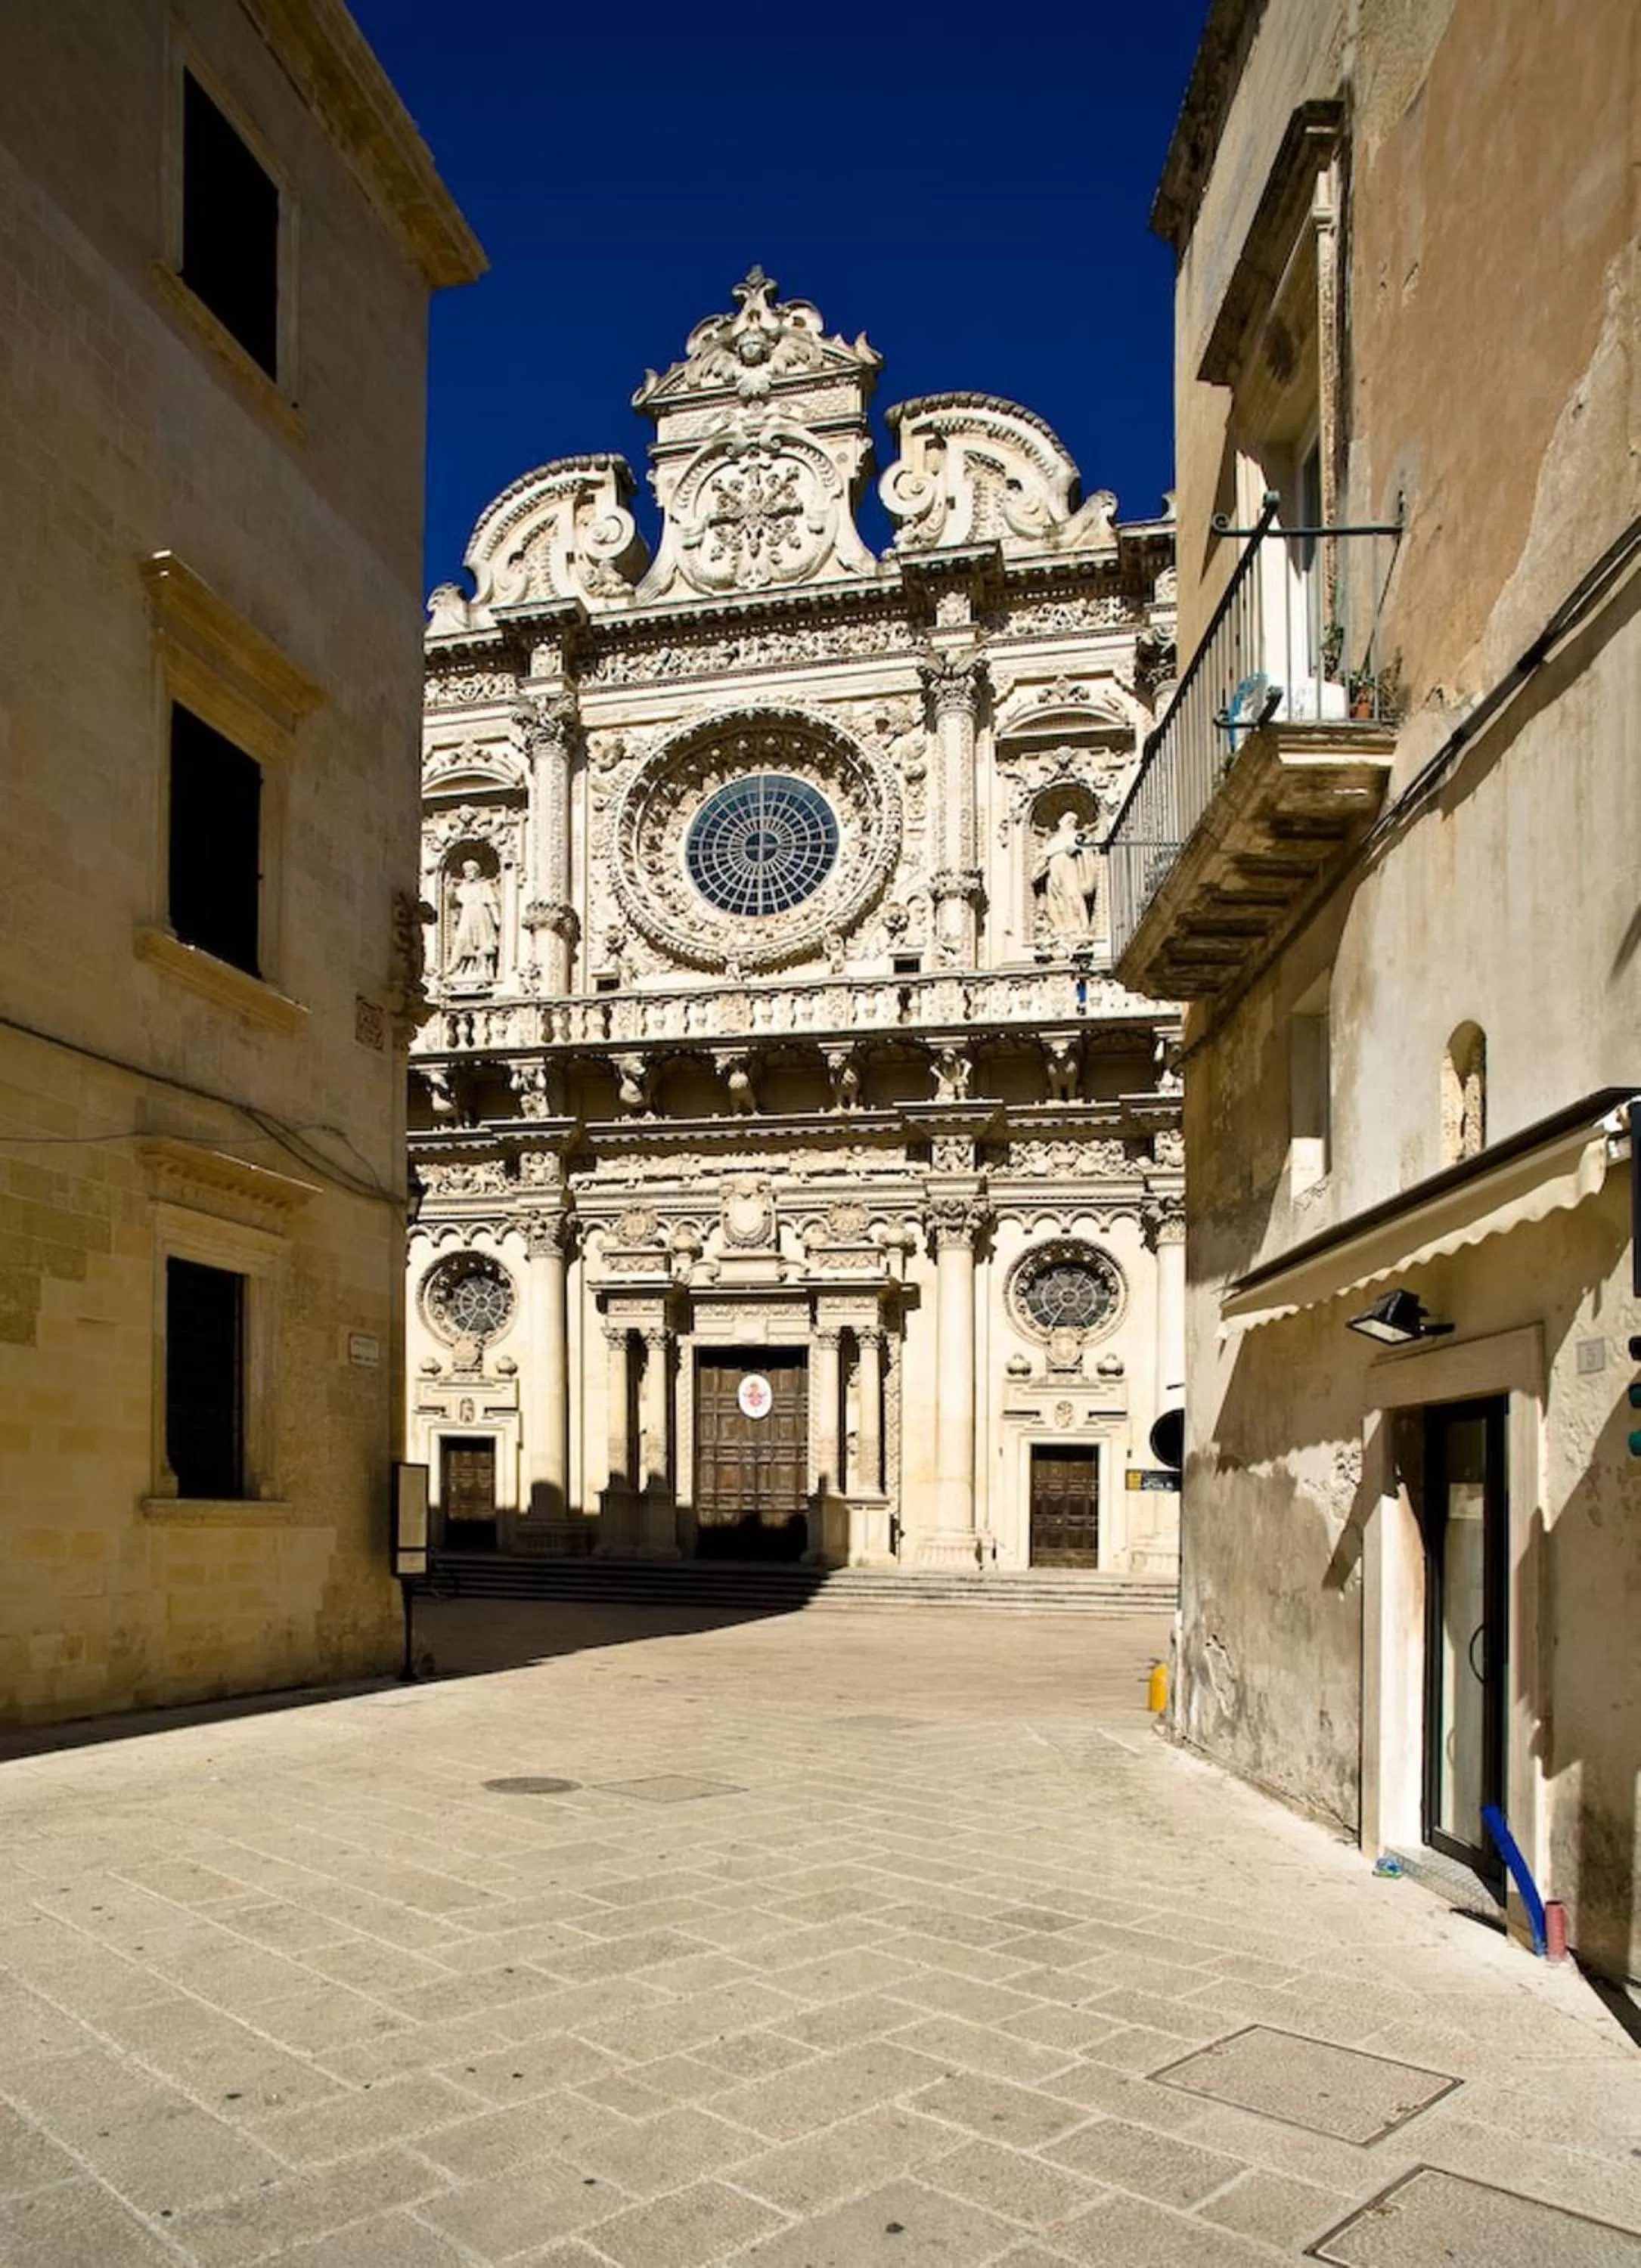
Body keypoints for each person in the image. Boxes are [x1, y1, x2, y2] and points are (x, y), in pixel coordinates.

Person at [1033, 810, 1099, 942]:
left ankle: (1078, 927)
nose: (1070, 823)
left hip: (1070, 868)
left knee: (1072, 894)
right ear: (1062, 822)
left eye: (1073, 821)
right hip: (1054, 870)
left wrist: (1078, 849)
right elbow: (1044, 858)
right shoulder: (1054, 841)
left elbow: (1087, 848)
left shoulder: (1077, 837)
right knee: (1056, 898)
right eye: (1068, 821)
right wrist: (1036, 871)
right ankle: (1059, 927)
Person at [448, 860, 501, 980]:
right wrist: (450, 889)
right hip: (467, 916)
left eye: (471, 871)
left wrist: (496, 917)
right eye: (466, 872)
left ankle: (484, 969)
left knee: (483, 940)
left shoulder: (483, 886)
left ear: (477, 872)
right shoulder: (463, 887)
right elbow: (454, 902)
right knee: (462, 939)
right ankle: (461, 968)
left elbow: (492, 902)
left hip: (481, 915)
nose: (468, 874)